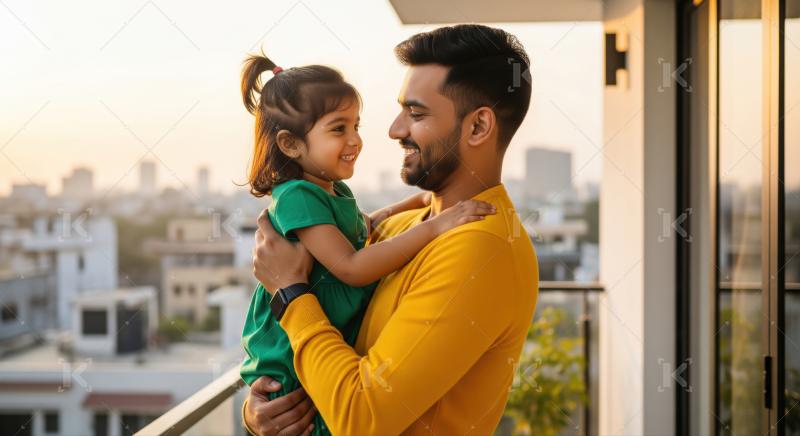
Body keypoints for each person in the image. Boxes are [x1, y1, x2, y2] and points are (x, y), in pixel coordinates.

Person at [244, 24, 539, 435]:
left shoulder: (480, 249)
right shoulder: (411, 225)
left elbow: (361, 417)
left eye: (416, 114)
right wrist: (265, 406)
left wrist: (290, 294)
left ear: (477, 127)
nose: (394, 129)